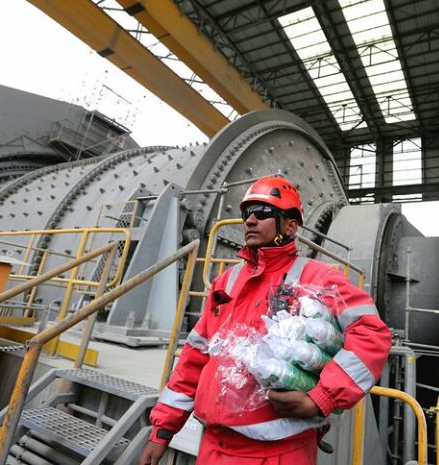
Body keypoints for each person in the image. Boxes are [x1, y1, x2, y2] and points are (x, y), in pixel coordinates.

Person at [139, 176, 391, 465]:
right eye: (248, 213)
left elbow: (372, 335)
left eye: (264, 213)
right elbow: (194, 358)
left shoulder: (317, 278)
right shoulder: (227, 281)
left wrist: (321, 397)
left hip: (278, 454)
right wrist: (162, 431)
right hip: (212, 448)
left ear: (291, 225)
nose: (250, 220)